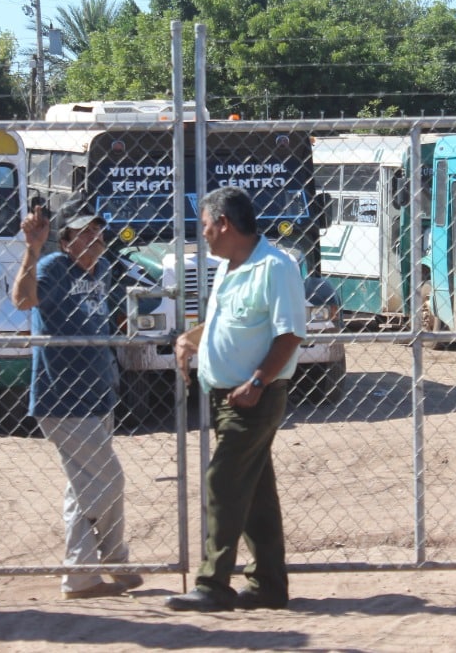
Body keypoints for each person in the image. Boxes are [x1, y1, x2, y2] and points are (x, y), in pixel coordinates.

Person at [165, 186, 306, 612]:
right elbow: (226, 321)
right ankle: (268, 585)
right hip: (230, 398)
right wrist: (191, 340)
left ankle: (213, 584)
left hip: (253, 400)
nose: (203, 235)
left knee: (222, 481)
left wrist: (257, 382)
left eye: (205, 226)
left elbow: (290, 333)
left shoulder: (275, 268)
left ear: (224, 223)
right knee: (256, 494)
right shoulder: (231, 266)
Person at [12, 194, 144, 600]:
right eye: (85, 233)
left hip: (99, 394)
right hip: (63, 398)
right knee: (109, 478)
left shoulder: (103, 268)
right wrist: (32, 249)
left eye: (98, 232)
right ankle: (112, 558)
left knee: (82, 486)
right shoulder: (52, 267)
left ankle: (81, 576)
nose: (95, 240)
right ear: (66, 238)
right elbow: (22, 300)